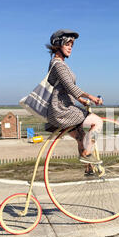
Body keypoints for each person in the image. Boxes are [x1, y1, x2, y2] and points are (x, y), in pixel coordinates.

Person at [45, 29, 103, 168]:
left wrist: (81, 101)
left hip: (60, 109)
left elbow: (66, 89)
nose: (70, 47)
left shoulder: (59, 64)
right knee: (97, 122)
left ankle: (88, 169)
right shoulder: (58, 64)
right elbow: (70, 87)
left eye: (72, 45)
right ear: (58, 44)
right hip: (62, 110)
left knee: (82, 138)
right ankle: (87, 155)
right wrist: (91, 97)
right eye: (67, 44)